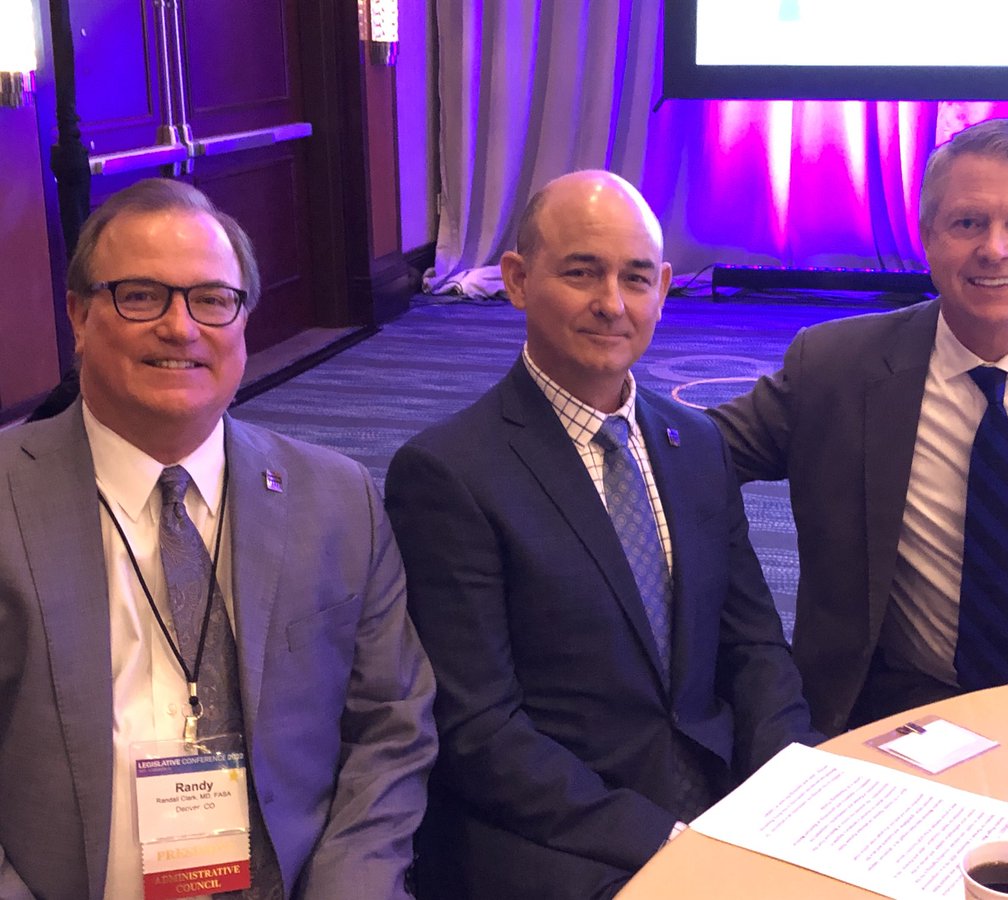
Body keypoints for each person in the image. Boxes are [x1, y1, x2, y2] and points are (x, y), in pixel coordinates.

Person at [385, 170, 822, 900]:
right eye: (582, 273)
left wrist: (792, 782)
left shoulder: (696, 443)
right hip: (561, 834)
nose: (612, 304)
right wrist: (669, 842)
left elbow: (752, 644)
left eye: (636, 278)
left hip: (718, 791)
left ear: (665, 288)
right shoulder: (449, 474)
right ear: (519, 280)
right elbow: (481, 732)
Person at [0, 178, 437, 900]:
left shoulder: (337, 500)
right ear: (79, 317)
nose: (181, 327)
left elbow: (392, 728)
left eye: (211, 298)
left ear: (242, 321)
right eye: (141, 296)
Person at [710, 117, 1008, 736]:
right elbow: (694, 453)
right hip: (897, 705)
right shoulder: (837, 368)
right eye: (968, 222)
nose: (994, 249)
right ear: (926, 237)